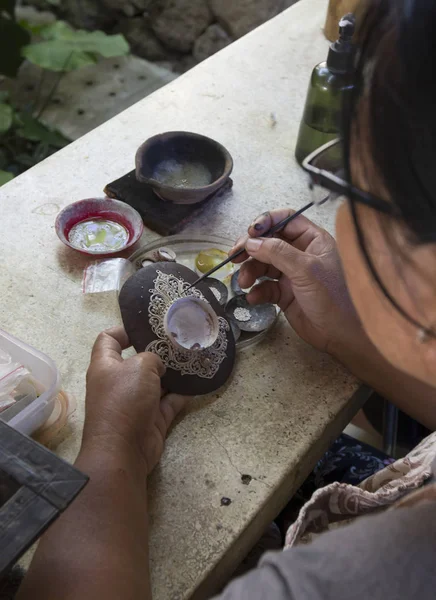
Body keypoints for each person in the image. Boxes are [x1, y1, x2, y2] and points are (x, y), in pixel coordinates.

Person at [16, 0, 436, 598]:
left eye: (363, 197)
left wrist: (112, 451)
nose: (349, 229)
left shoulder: (365, 576)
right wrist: (351, 336)